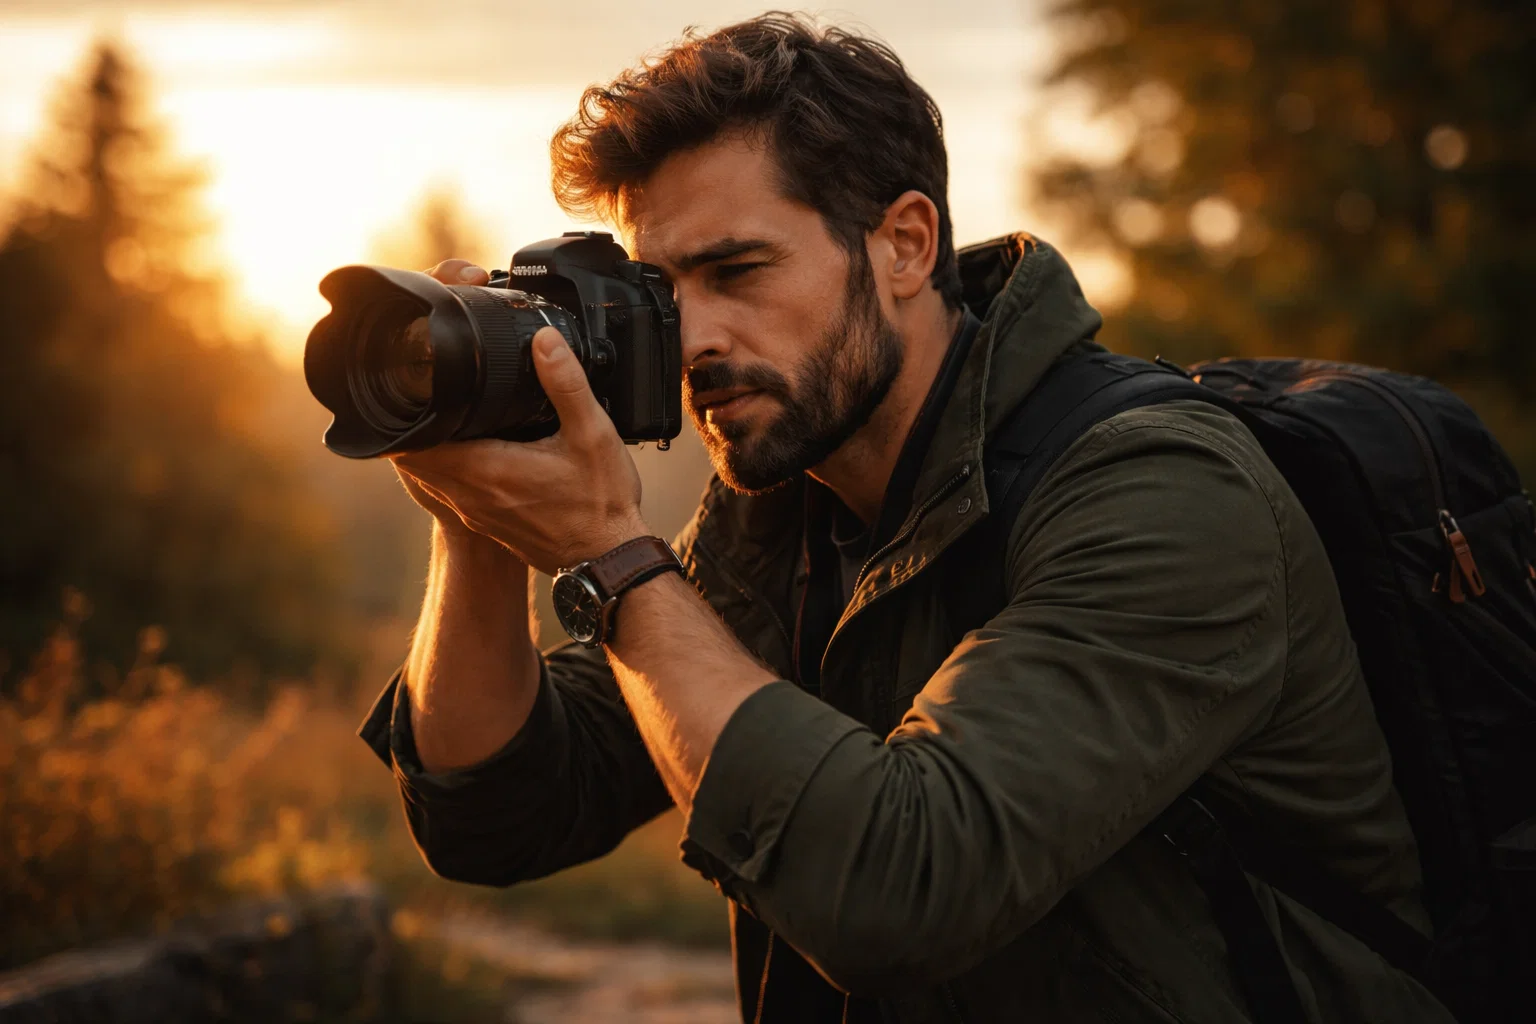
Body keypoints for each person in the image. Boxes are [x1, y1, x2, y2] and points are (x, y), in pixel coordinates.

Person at [359, 13, 1455, 1023]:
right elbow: (495, 813)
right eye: (660, 291)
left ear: (904, 245)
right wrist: (479, 523)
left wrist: (614, 556)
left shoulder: (1158, 491)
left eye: (737, 268)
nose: (692, 338)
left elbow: (902, 889)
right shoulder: (780, 510)